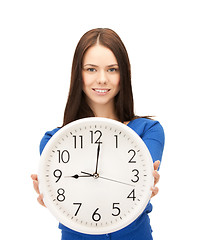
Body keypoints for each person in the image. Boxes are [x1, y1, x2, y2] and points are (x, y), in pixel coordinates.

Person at [31, 28, 165, 240]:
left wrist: (147, 183)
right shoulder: (53, 141)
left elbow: (138, 184)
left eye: (112, 69)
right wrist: (53, 197)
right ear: (78, 74)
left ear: (124, 74)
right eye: (91, 69)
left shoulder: (148, 131)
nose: (102, 79)